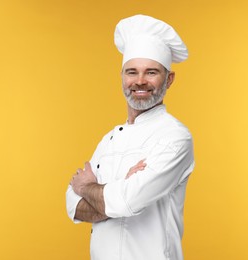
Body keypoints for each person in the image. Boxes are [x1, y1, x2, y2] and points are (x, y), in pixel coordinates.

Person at [66, 14, 195, 260]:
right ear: (122, 77)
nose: (140, 81)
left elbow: (127, 201)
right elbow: (72, 204)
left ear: (169, 80)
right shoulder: (108, 140)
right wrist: (116, 194)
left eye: (152, 72)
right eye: (132, 72)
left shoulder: (176, 137)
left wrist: (87, 187)